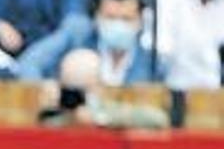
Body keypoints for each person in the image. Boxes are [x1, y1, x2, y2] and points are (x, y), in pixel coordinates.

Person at [38, 48, 169, 128]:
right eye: (70, 89)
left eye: (83, 90)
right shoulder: (55, 114)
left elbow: (158, 119)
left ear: (98, 86)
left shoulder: (108, 110)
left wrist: (99, 119)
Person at [81, 0, 165, 85]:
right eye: (110, 18)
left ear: (141, 22)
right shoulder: (78, 43)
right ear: (96, 18)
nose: (118, 25)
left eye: (126, 19)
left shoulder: (153, 64)